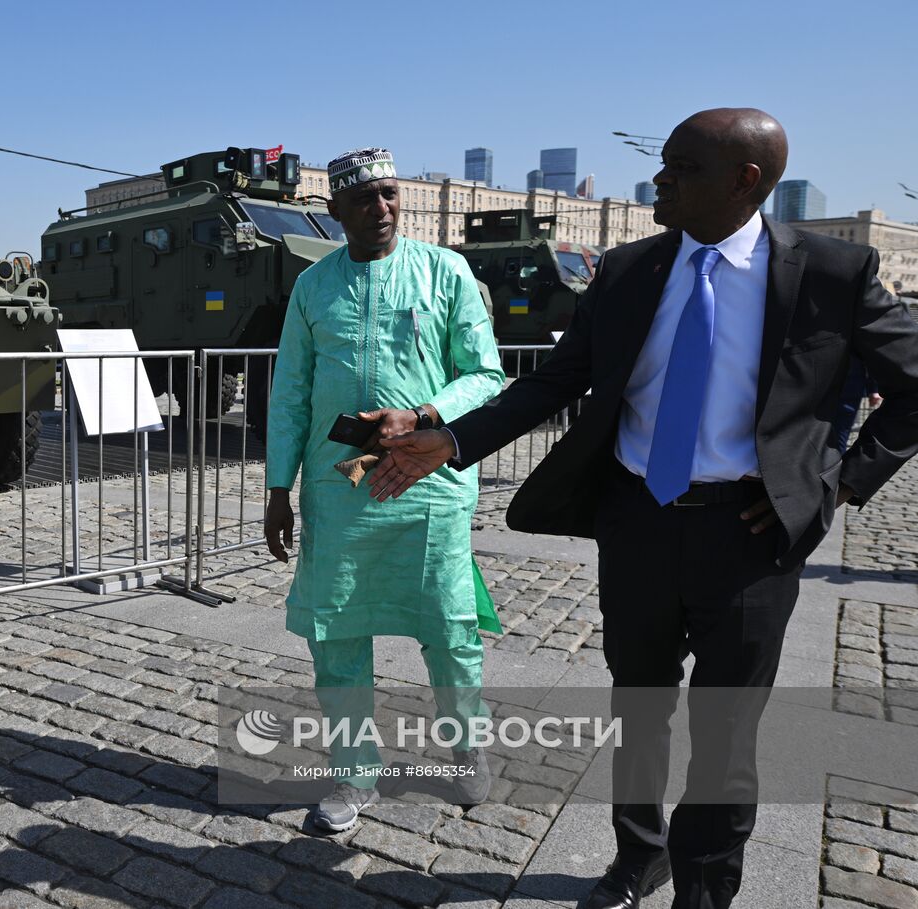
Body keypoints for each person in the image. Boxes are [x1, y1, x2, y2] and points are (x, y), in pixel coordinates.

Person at [366, 109, 918, 908]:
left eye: (680, 168)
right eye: (661, 164)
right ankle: (639, 856)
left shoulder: (834, 272)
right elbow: (553, 383)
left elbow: (910, 392)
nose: (659, 180)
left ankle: (702, 888)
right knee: (638, 706)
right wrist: (449, 441)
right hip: (638, 522)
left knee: (727, 733)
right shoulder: (626, 272)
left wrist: (835, 483)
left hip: (750, 539)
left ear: (745, 182)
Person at [263, 147, 505, 832]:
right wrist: (279, 489)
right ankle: (352, 774)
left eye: (390, 194)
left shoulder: (445, 271)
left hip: (428, 483)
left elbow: (485, 375)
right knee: (335, 631)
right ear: (335, 210)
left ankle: (466, 751)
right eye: (364, 198)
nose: (381, 208)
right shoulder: (314, 288)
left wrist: (423, 415)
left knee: (450, 625)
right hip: (339, 492)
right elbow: (291, 397)